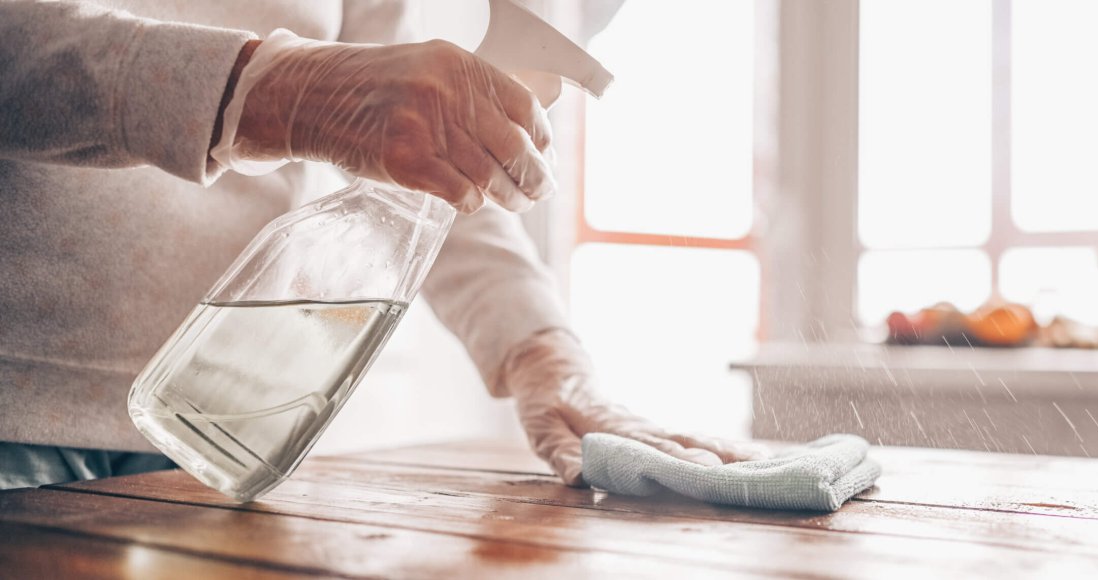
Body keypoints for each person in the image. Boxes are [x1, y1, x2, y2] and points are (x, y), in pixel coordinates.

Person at [0, 0, 759, 490]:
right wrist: (279, 91)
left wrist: (540, 352)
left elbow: (432, 161)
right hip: (19, 424)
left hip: (227, 442)